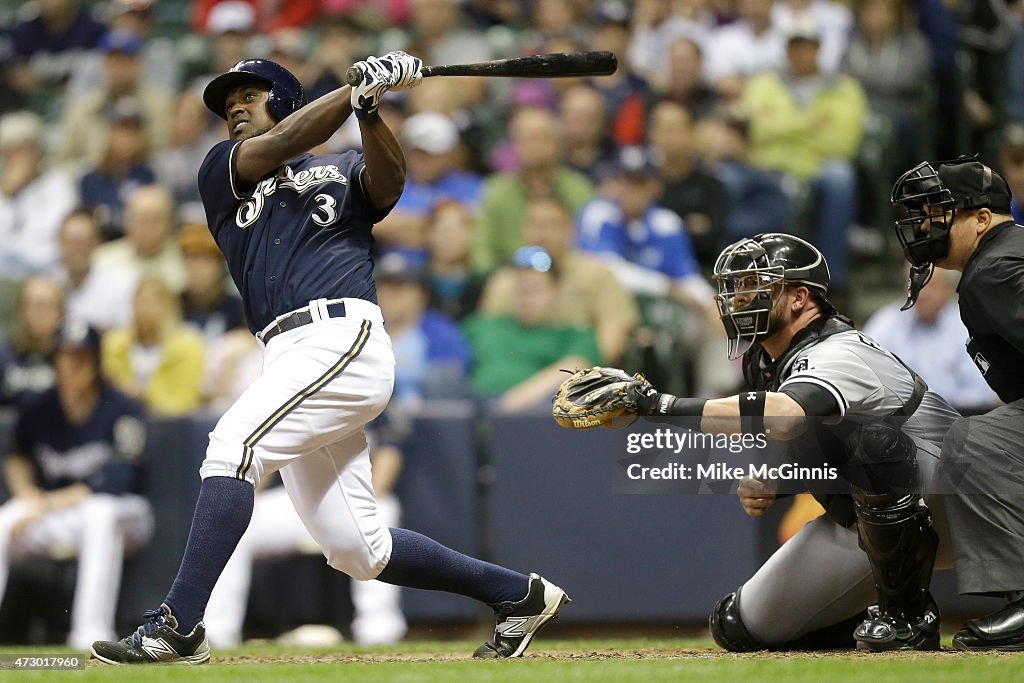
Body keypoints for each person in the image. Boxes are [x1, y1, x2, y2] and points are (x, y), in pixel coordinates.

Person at [90, 54, 569, 665]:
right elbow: (291, 136)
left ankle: (180, 624)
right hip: (288, 353)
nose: (236, 105)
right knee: (356, 549)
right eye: (228, 99)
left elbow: (388, 186)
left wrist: (369, 111)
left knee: (232, 446)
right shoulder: (224, 172)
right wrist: (353, 89)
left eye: (252, 93)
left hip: (342, 338)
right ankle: (517, 596)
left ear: (287, 98)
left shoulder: (340, 166)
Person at [572, 233, 961, 651]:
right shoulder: (765, 361)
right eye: (736, 286)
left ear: (799, 297)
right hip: (867, 521)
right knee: (739, 626)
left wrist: (657, 404)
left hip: (960, 497)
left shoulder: (839, 350)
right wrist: (777, 482)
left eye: (755, 284)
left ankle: (907, 618)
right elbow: (814, 444)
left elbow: (786, 415)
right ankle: (880, 613)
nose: (740, 297)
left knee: (876, 444)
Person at [890, 156, 1024, 650]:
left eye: (938, 213)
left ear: (982, 218)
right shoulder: (1005, 256)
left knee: (976, 440)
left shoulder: (996, 266)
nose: (925, 226)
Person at [0, 321, 152, 650]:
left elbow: (117, 480)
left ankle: (89, 636)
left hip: (127, 515)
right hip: (64, 513)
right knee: (4, 521)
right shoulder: (39, 407)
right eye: (66, 356)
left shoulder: (122, 408)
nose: (73, 365)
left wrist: (44, 504)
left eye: (82, 357)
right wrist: (26, 494)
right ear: (55, 361)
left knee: (100, 512)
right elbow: (16, 455)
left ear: (96, 361)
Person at [0, 276, 64, 408]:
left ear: (60, 312)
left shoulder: (73, 358)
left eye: (43, 305)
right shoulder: (3, 356)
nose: (36, 313)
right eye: (28, 305)